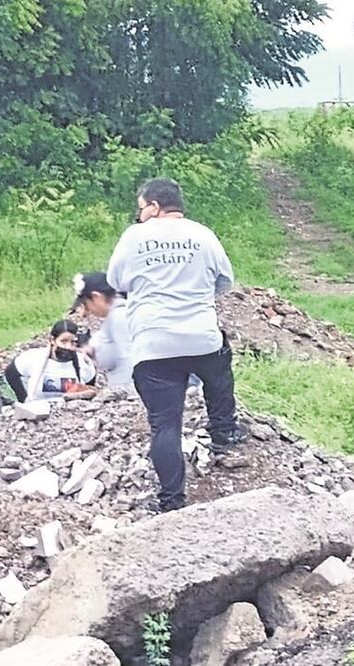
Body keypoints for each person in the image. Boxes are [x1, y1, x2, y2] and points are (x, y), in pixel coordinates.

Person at [107, 177, 242, 512]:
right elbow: (225, 280)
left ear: (154, 207)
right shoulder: (203, 234)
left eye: (141, 209)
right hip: (200, 335)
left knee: (165, 425)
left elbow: (116, 281)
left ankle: (172, 502)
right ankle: (224, 432)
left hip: (153, 345)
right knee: (218, 366)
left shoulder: (134, 237)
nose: (139, 216)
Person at [4, 320, 97, 403]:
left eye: (73, 342)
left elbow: (90, 385)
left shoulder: (83, 363)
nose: (68, 346)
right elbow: (11, 373)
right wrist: (23, 399)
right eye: (63, 341)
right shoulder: (33, 358)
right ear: (52, 340)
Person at [70, 271, 134, 391]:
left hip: (128, 389)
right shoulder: (113, 317)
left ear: (96, 297)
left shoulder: (119, 316)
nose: (86, 311)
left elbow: (128, 358)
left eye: (86, 304)